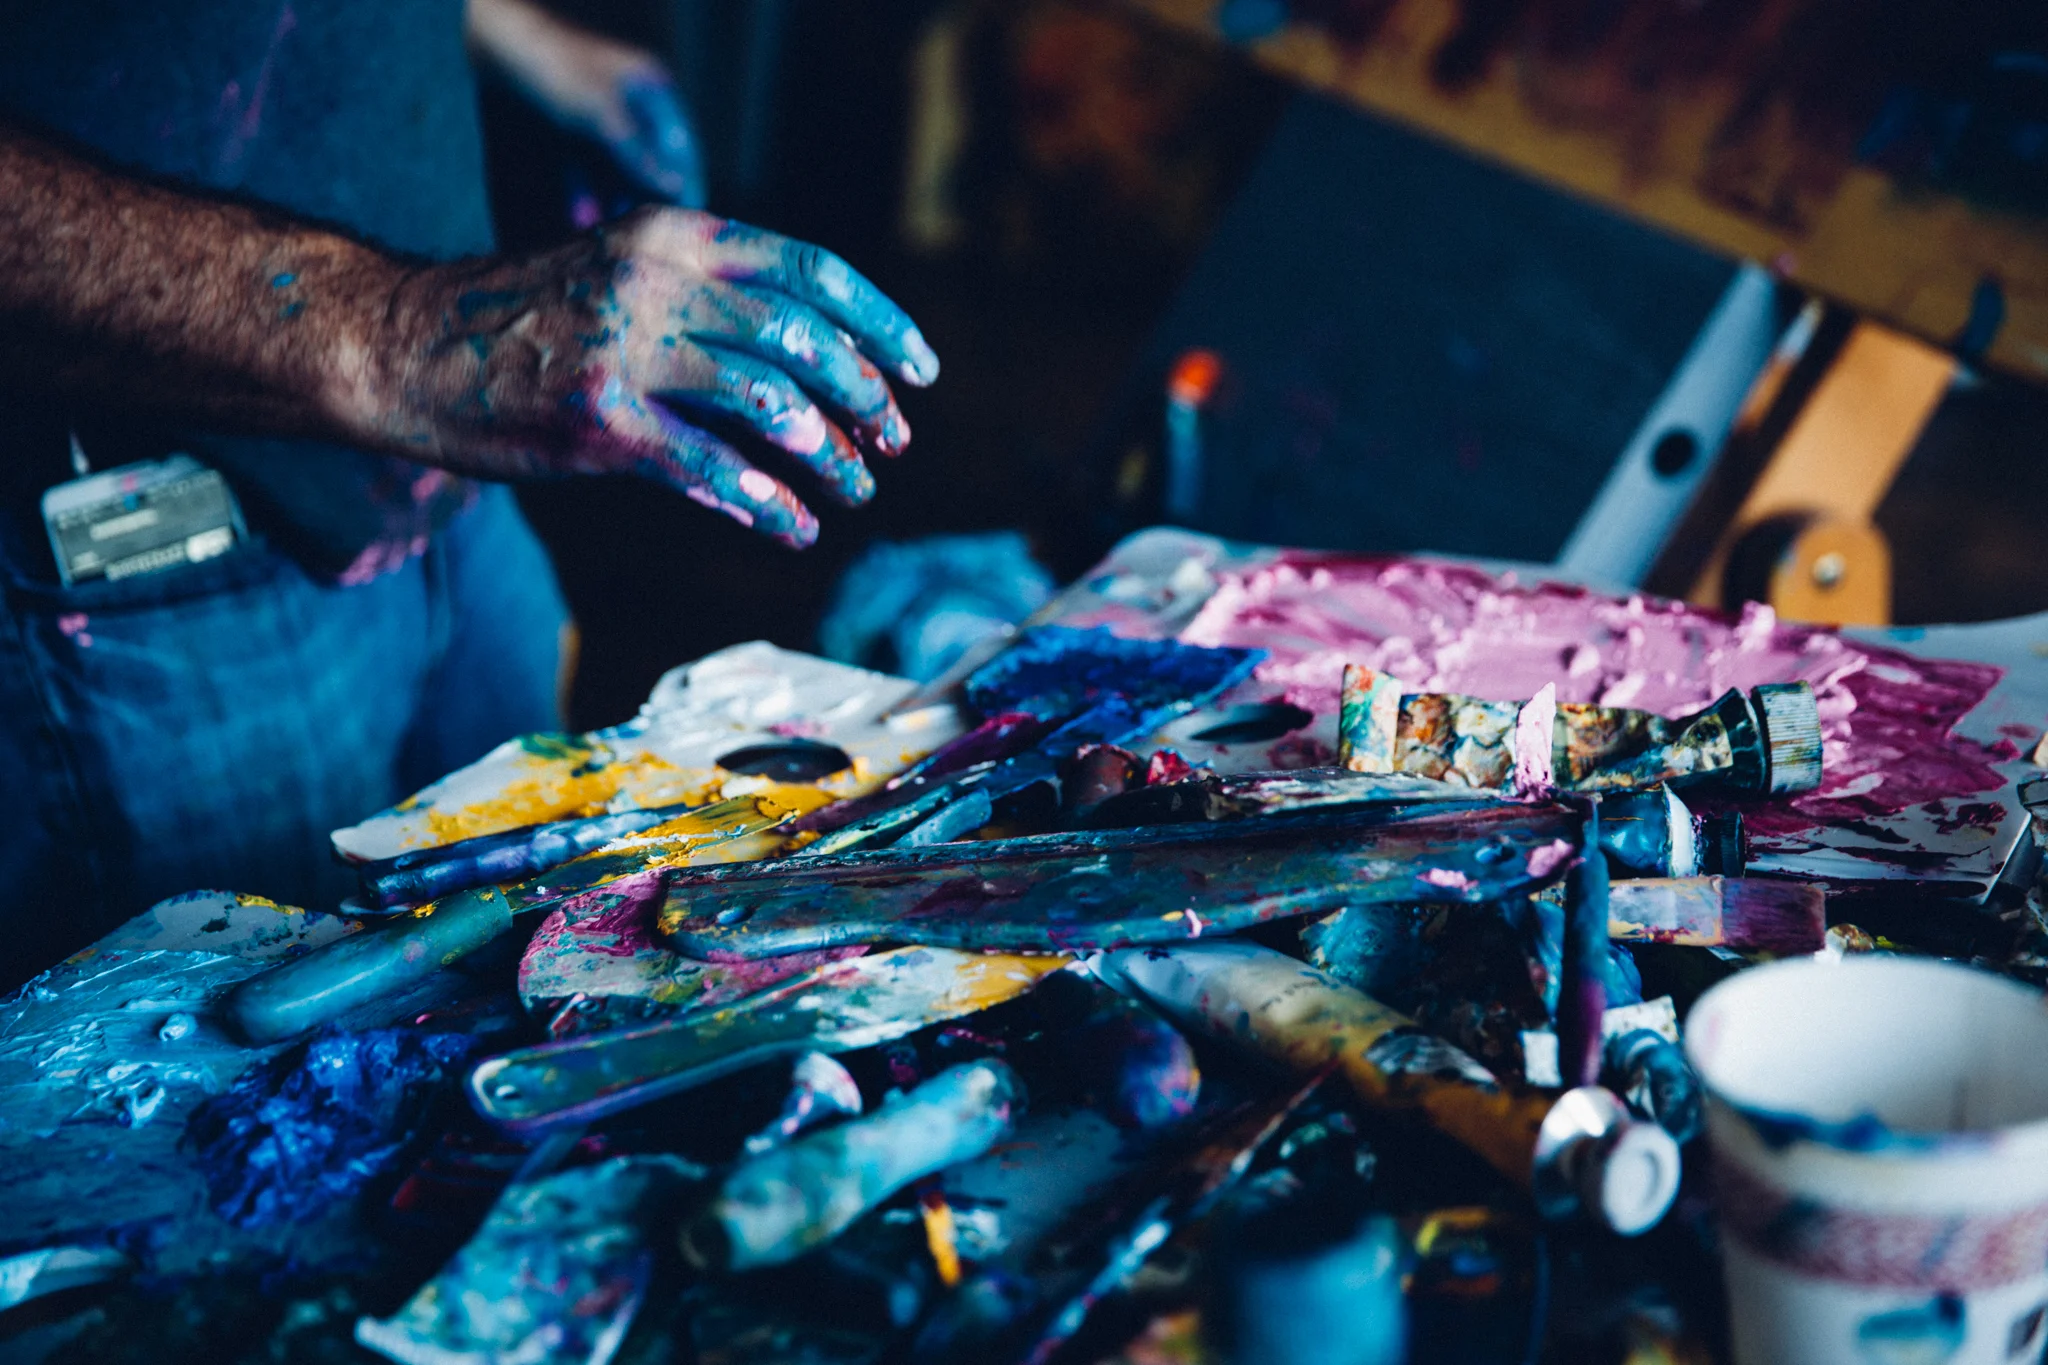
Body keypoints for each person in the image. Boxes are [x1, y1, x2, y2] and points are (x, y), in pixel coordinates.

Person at [0, 0, 940, 980]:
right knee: (269, 1032)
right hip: (155, 539)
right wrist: (406, 338)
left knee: (538, 967)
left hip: (449, 469)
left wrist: (513, 37)